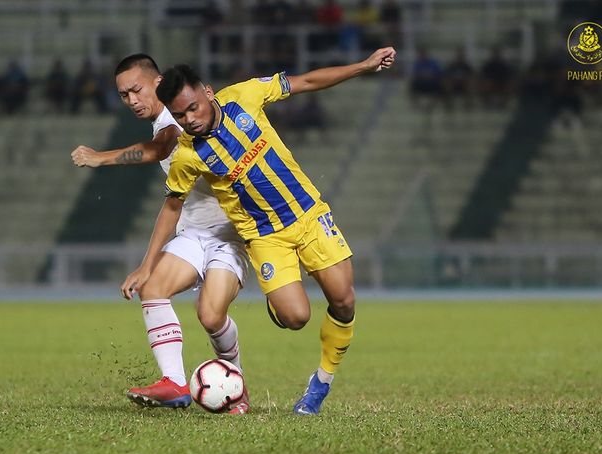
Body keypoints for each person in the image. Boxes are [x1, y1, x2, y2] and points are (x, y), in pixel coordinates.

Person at [122, 47, 396, 415]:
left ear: (208, 92)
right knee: (295, 318)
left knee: (344, 301)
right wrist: (147, 263)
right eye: (181, 115)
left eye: (193, 108)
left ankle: (320, 384)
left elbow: (308, 81)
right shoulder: (188, 155)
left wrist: (363, 66)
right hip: (265, 238)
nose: (190, 120)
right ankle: (278, 301)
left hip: (309, 215)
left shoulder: (245, 96)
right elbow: (172, 207)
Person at [71, 54, 251, 414]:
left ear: (157, 83)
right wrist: (145, 266)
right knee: (153, 288)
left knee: (211, 317)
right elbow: (171, 201)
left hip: (230, 235)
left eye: (136, 90)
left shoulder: (177, 114)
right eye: (124, 95)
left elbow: (160, 149)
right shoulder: (165, 120)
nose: (132, 100)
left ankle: (237, 384)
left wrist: (99, 158)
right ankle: (175, 384)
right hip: (193, 233)